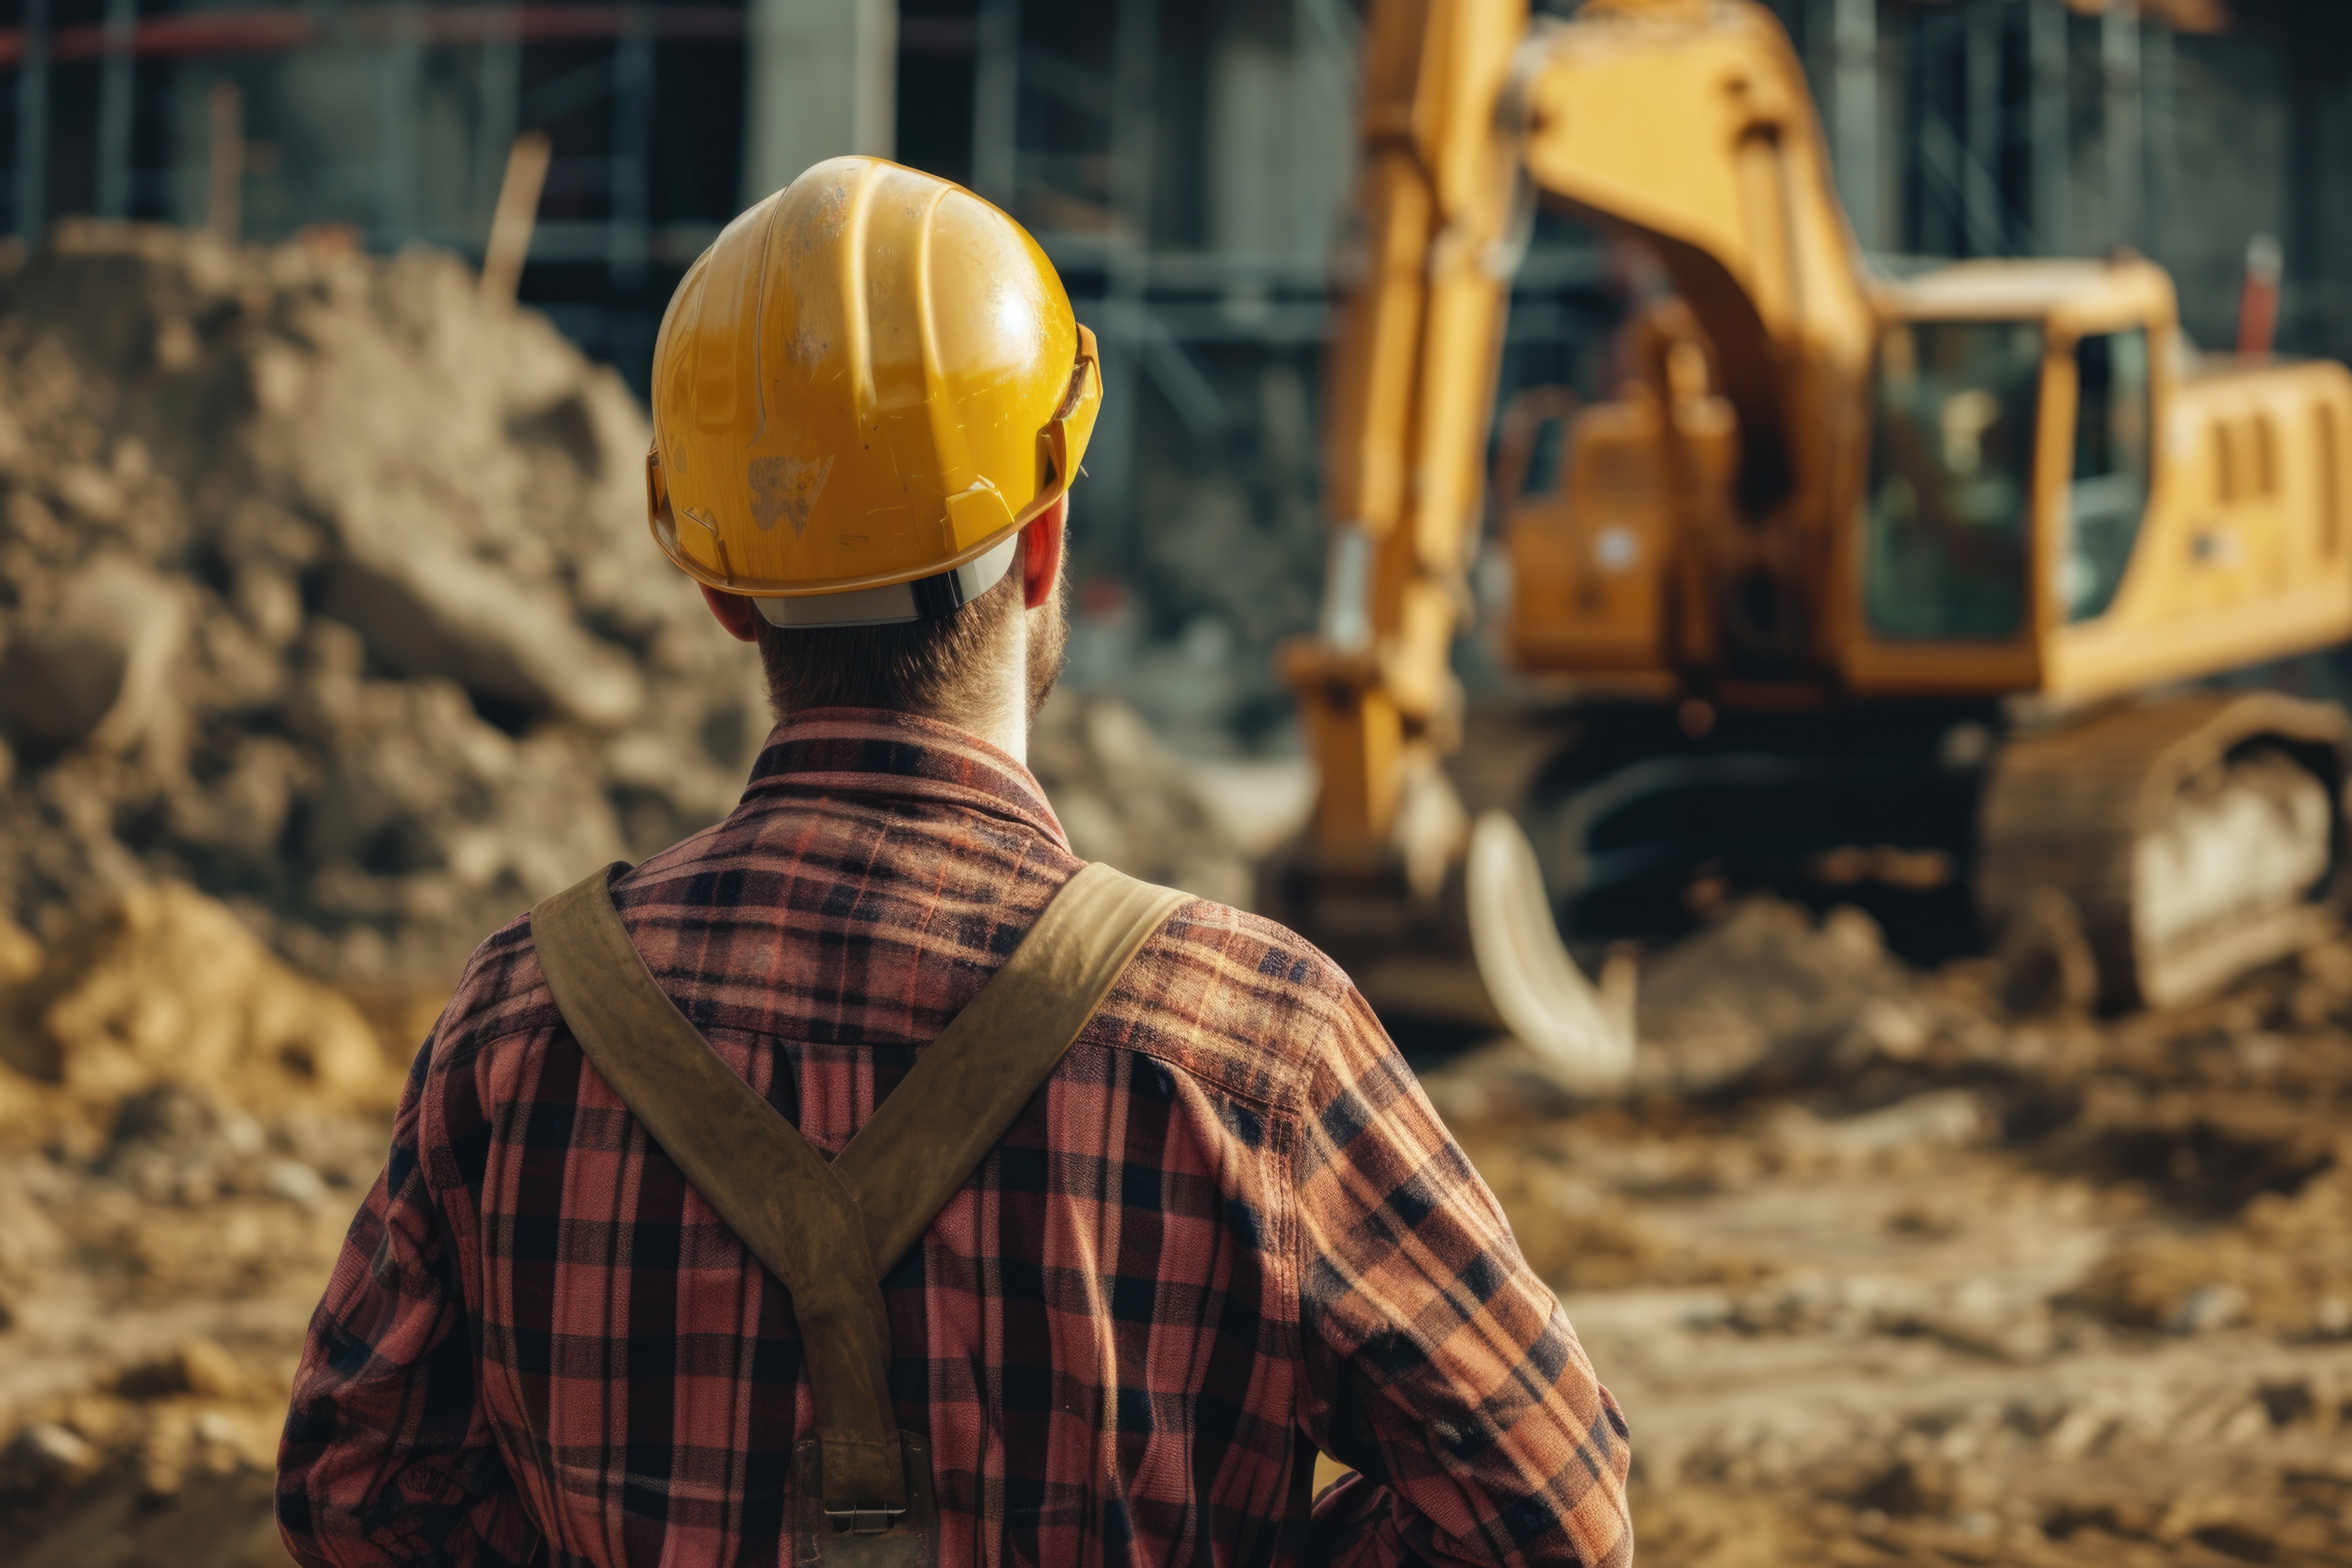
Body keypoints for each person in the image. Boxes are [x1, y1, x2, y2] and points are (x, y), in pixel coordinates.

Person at [275, 156, 1630, 1568]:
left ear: (723, 591)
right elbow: (1552, 1514)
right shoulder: (1251, 1042)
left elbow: (359, 1491)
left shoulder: (522, 1025)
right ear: (1042, 545)